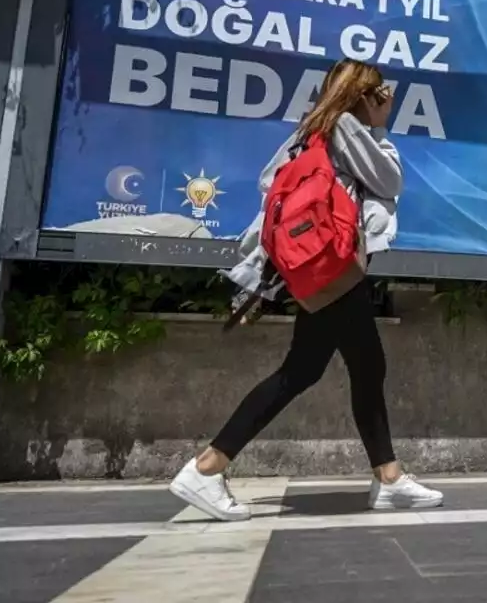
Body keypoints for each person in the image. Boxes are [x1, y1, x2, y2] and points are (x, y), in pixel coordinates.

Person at [168, 59, 443, 521]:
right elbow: (390, 179)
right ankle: (207, 467)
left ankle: (388, 476)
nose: (387, 100)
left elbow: (266, 183)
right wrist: (377, 129)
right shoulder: (347, 128)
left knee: (311, 369)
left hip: (311, 264)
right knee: (354, 365)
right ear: (365, 95)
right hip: (332, 263)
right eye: (382, 93)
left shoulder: (309, 129)